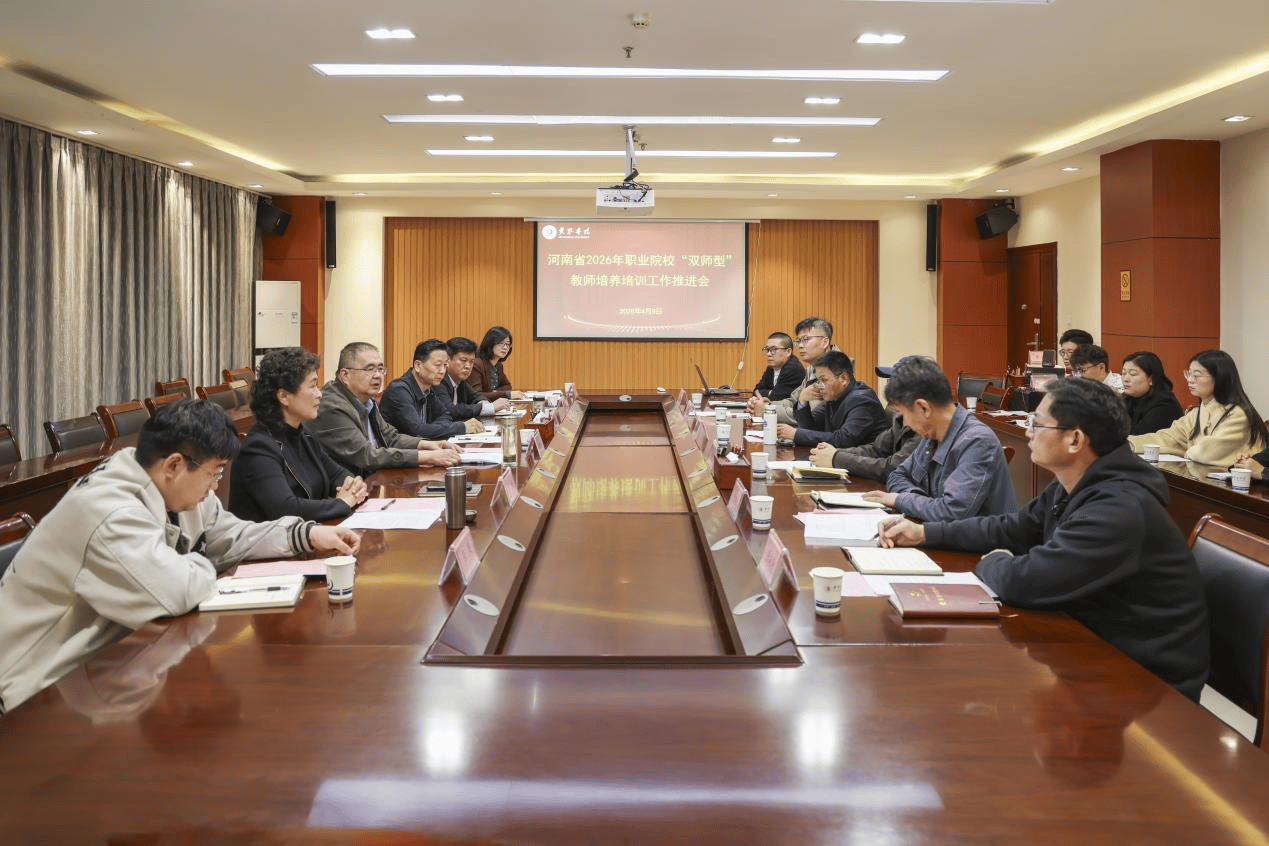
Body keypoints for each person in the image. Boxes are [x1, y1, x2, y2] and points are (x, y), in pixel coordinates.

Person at [0, 399, 361, 713]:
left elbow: (230, 535)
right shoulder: (110, 512)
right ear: (174, 465)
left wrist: (307, 534)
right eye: (214, 473)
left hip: (101, 665)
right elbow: (175, 590)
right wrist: (202, 563)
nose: (216, 486)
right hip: (31, 694)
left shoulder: (168, 485)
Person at [879, 377, 1209, 701]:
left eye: (1037, 423)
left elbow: (1027, 581)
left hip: (1146, 684)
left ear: (1075, 440)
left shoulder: (1119, 508)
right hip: (1093, 645)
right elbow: (1012, 528)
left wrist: (994, 560)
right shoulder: (1076, 482)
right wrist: (925, 532)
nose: (1028, 432)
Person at [861, 356, 1017, 520]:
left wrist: (901, 500)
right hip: (935, 531)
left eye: (904, 414)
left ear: (924, 408)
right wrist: (919, 501)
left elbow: (951, 512)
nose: (905, 423)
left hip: (976, 538)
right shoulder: (932, 435)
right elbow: (897, 475)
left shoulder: (977, 441)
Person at [229, 347, 369, 522]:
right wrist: (341, 503)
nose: (319, 394)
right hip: (273, 539)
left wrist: (354, 485)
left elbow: (337, 474)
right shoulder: (258, 447)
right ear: (284, 396)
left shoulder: (303, 435)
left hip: (309, 533)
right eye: (312, 386)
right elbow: (286, 509)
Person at [311, 342, 461, 475]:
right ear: (345, 375)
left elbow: (390, 437)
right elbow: (366, 456)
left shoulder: (367, 400)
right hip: (344, 488)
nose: (377, 375)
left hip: (368, 479)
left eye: (380, 369)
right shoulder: (332, 405)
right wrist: (425, 457)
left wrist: (427, 445)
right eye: (370, 369)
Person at [1128, 349, 1266, 467]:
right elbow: (1168, 438)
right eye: (1188, 374)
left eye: (1196, 375)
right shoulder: (1197, 412)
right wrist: (1129, 443)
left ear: (1219, 378)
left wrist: (1185, 449)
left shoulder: (1237, 414)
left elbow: (1207, 453)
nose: (1190, 380)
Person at [775, 350, 888, 449]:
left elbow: (843, 440)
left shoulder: (863, 400)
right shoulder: (836, 397)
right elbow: (811, 429)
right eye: (818, 381)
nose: (819, 386)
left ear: (843, 378)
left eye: (824, 380)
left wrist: (796, 434)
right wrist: (803, 401)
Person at [380, 339, 483, 439]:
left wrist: (431, 429)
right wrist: (462, 427)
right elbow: (417, 431)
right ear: (418, 366)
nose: (442, 371)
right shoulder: (399, 390)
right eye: (438, 365)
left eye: (445, 365)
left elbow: (445, 415)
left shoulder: (428, 388)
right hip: (397, 449)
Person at [747, 316, 838, 425]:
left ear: (825, 342)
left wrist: (766, 409)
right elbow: (793, 401)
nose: (800, 346)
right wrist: (767, 404)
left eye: (806, 340)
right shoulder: (813, 368)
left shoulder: (835, 371)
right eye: (798, 341)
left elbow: (809, 416)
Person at [809, 407, 918, 482]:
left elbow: (893, 468)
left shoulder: (863, 399)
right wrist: (833, 453)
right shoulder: (902, 417)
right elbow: (876, 450)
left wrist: (836, 458)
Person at [437, 336, 512, 421]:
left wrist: (486, 405)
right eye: (463, 360)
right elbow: (451, 410)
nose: (468, 366)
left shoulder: (460, 381)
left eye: (471, 362)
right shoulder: (439, 380)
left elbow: (477, 396)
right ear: (447, 360)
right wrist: (490, 407)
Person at [1120, 351, 1183, 436]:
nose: (1125, 379)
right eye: (1123, 373)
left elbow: (1141, 437)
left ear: (1151, 379)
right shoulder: (1126, 399)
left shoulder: (1165, 405)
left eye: (1133, 374)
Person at [469, 326, 525, 401]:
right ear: (490, 343)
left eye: (507, 344)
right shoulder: (476, 364)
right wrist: (505, 394)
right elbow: (476, 395)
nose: (505, 347)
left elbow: (507, 386)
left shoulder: (498, 365)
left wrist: (494, 393)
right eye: (501, 343)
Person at [751, 332, 804, 402]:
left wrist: (769, 393)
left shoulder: (793, 368)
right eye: (767, 350)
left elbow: (776, 398)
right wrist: (770, 393)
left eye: (773, 350)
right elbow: (756, 391)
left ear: (788, 352)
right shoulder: (772, 367)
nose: (769, 354)